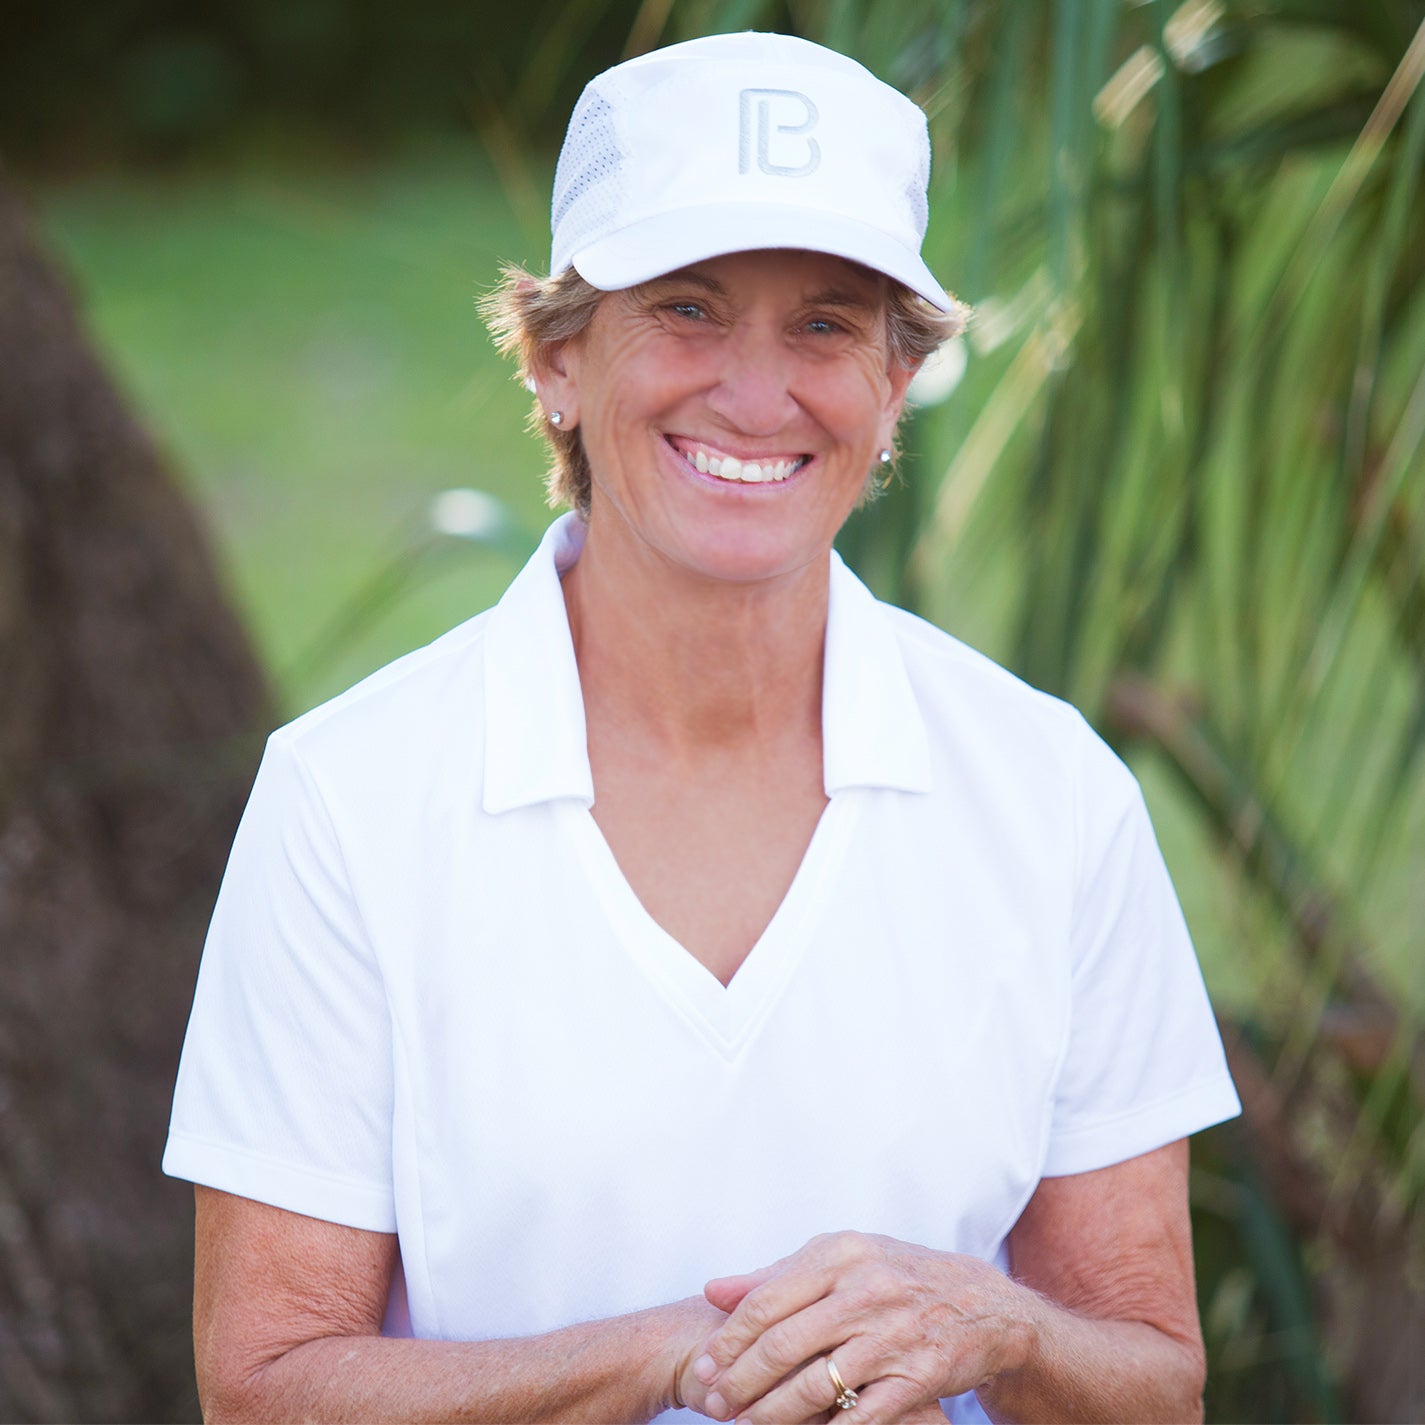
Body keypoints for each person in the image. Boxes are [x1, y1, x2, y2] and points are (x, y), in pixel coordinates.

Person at [163, 31, 1240, 1425]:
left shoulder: (1049, 795)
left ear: (895, 385)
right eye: (684, 307)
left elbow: (1153, 1381)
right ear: (554, 356)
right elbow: (261, 1386)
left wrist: (1000, 1327)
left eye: (826, 324)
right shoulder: (349, 799)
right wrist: (680, 1355)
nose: (753, 391)